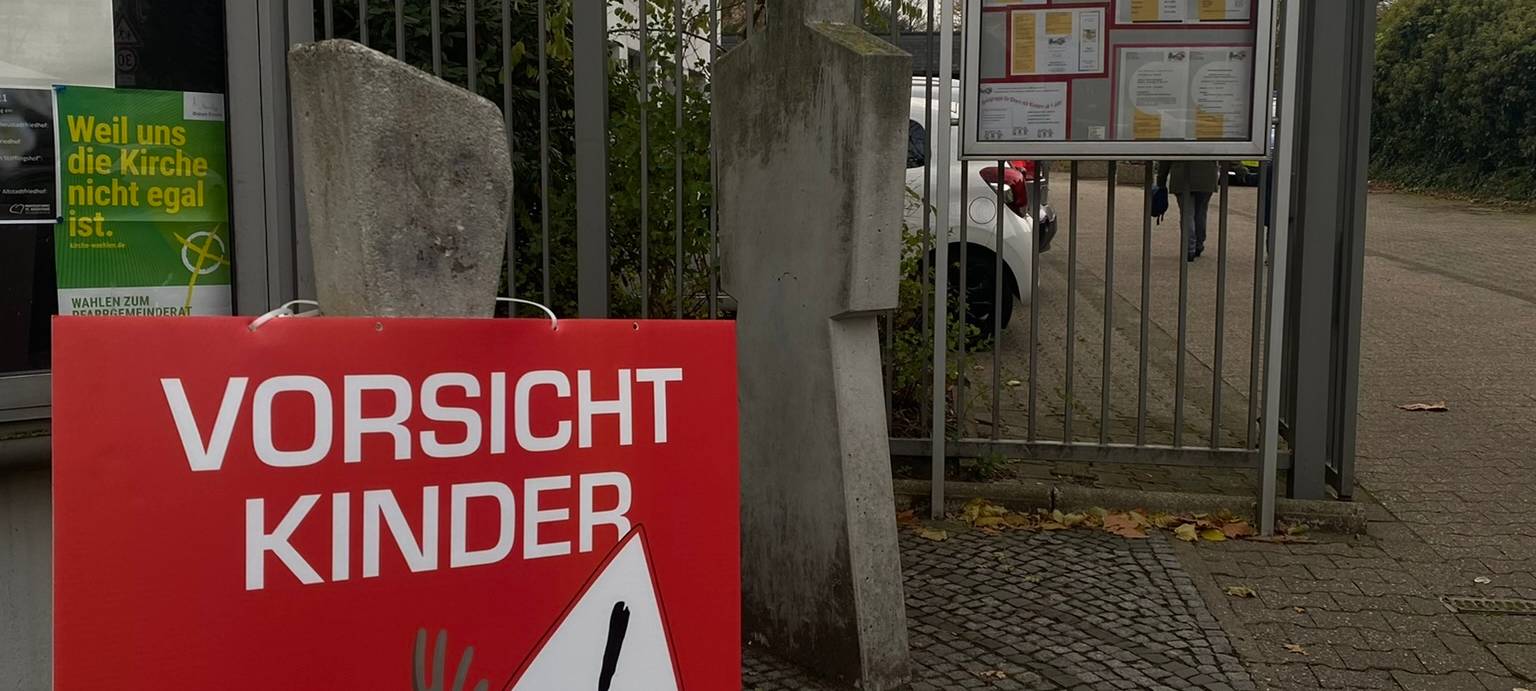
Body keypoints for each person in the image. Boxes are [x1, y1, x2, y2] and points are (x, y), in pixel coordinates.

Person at [1155, 161, 1220, 262]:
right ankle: (1198, 244)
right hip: (1207, 175)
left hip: (1181, 175)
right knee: (1201, 213)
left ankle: (1189, 248)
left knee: (1187, 214)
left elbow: (1166, 158)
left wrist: (1161, 181)